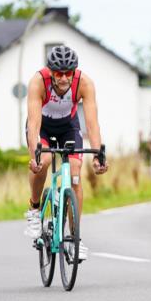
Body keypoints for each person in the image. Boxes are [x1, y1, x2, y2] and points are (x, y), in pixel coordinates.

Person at [23, 45, 108, 260]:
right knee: (44, 159)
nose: (63, 78)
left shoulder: (84, 83)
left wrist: (98, 156)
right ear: (50, 72)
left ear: (74, 72)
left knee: (76, 172)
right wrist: (34, 155)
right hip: (42, 126)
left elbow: (92, 123)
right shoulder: (38, 81)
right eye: (58, 73)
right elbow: (33, 123)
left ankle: (75, 239)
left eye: (67, 73)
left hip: (68, 126)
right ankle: (34, 209)